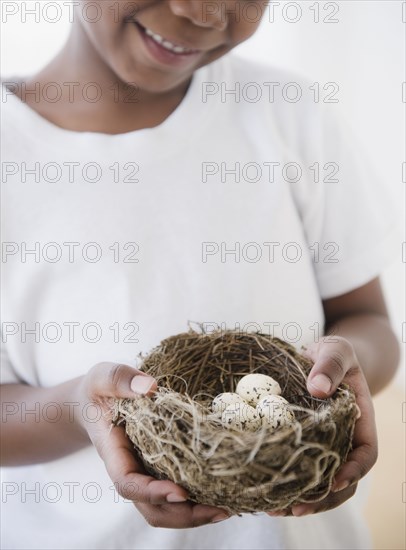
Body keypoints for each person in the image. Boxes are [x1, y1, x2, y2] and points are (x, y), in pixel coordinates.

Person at [1, 1, 400, 549]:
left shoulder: (289, 114)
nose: (205, 12)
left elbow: (367, 321)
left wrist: (347, 377)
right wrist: (77, 408)